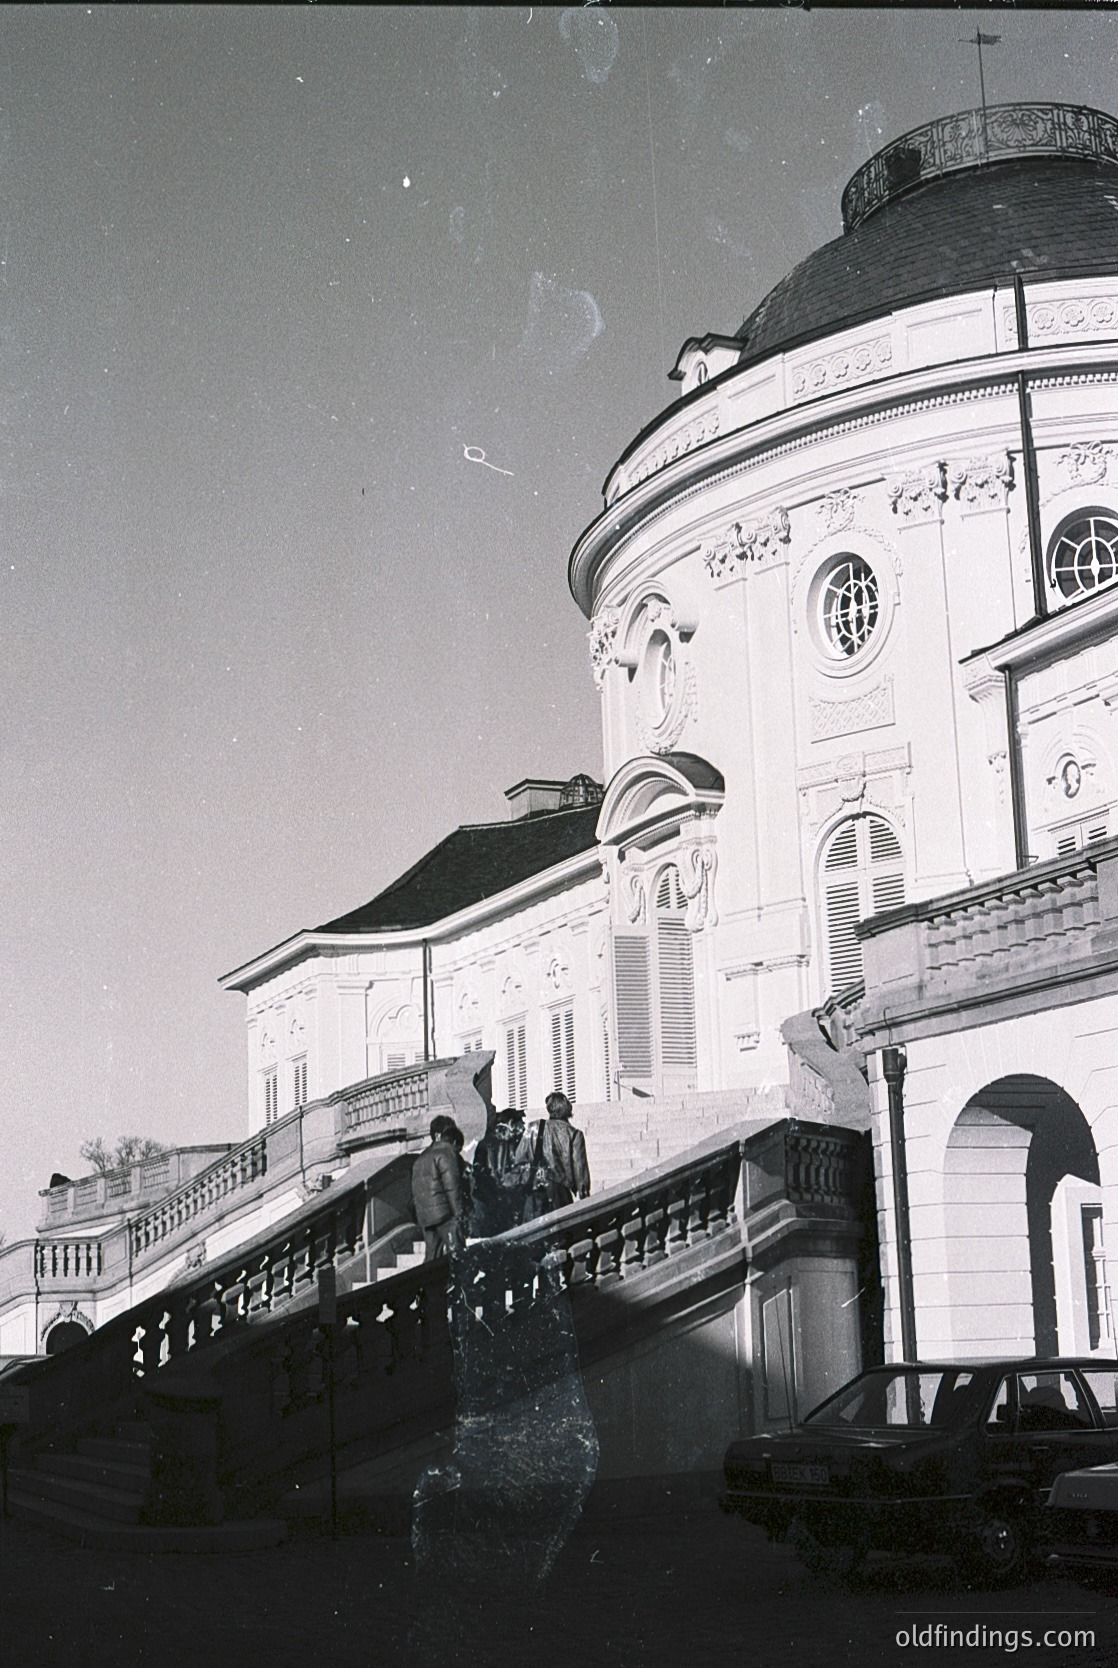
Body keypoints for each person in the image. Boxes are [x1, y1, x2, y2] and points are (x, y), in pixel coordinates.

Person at [524, 1092, 591, 1220]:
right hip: (560, 1193)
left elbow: (521, 1158)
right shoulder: (574, 1134)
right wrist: (584, 1193)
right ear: (568, 1110)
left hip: (535, 1193)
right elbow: (580, 1168)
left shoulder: (534, 1128)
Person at [410, 1115, 465, 1259]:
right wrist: (459, 1214)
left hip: (426, 1217)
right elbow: (452, 1188)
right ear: (440, 1135)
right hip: (445, 1216)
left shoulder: (420, 1158)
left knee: (431, 1258)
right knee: (459, 1255)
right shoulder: (446, 1153)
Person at [473, 1108, 534, 1234]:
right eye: (520, 1123)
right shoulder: (506, 1144)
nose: (522, 1127)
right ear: (511, 1123)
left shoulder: (484, 1143)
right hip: (498, 1201)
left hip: (489, 1201)